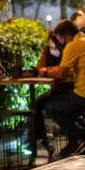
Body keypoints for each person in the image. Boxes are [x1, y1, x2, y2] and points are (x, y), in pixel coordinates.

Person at [41, 19, 85, 156]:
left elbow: (61, 73)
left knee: (50, 107)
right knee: (69, 108)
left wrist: (44, 71)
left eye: (59, 38)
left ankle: (83, 136)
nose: (60, 42)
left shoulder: (74, 44)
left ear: (65, 36)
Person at [29, 19, 73, 159]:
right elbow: (40, 67)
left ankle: (42, 140)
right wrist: (45, 63)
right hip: (59, 86)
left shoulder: (70, 46)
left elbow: (65, 71)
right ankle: (42, 140)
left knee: (40, 104)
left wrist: (47, 70)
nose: (58, 39)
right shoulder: (51, 46)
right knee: (37, 104)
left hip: (68, 86)